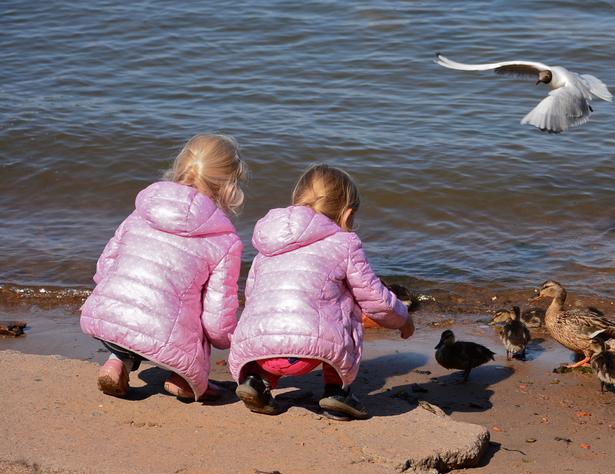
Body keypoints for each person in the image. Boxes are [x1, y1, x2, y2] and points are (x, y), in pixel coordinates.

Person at [228, 163, 413, 419]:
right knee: (348, 303)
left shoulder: (265, 249)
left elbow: (251, 298)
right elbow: (374, 298)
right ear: (347, 216)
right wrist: (403, 319)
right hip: (311, 352)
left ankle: (257, 381)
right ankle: (337, 392)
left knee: (272, 308)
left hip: (258, 349)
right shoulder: (345, 243)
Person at [80, 134, 246, 401]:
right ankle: (185, 378)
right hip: (168, 339)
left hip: (110, 317)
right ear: (230, 186)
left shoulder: (142, 211)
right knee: (197, 315)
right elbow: (216, 318)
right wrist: (225, 339)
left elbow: (105, 267)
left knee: (141, 301)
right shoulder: (223, 240)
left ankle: (115, 362)